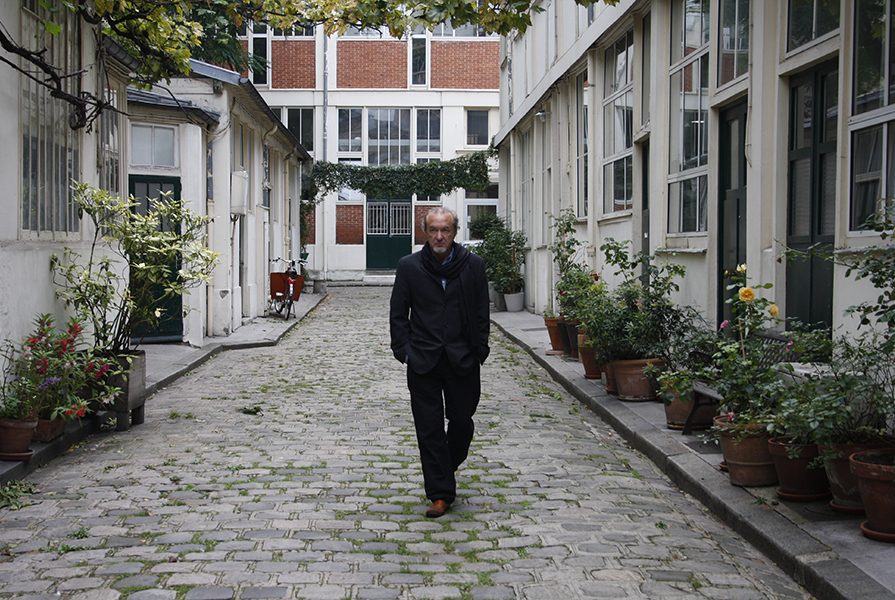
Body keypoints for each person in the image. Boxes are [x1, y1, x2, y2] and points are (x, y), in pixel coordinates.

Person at [389, 206, 490, 518]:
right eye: (433, 230)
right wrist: (404, 351)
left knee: (462, 422)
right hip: (423, 360)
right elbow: (398, 313)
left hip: (462, 360)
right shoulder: (409, 267)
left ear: (455, 232)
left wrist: (479, 351)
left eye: (445, 229)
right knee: (429, 428)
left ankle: (446, 466)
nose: (439, 236)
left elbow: (481, 312)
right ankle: (440, 494)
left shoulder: (472, 265)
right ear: (425, 232)